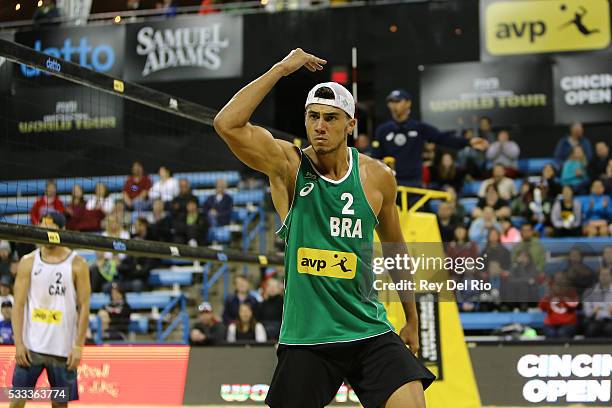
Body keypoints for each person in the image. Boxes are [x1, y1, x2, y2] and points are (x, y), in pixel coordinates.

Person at [214, 48, 435, 408]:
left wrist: (411, 319)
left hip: (368, 329)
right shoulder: (288, 166)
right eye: (313, 116)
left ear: (350, 124)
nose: (319, 126)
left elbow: (396, 250)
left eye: (331, 118)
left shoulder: (378, 177)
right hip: (308, 337)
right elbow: (227, 124)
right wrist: (281, 69)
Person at [10, 212, 90, 406]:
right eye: (42, 228)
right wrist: (18, 342)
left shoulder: (78, 264)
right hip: (31, 348)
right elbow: (18, 305)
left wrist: (78, 346)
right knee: (16, 400)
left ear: (62, 231)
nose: (45, 233)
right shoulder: (28, 262)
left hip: (62, 350)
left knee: (60, 403)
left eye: (51, 229)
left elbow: (84, 307)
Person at [372, 89, 487, 188]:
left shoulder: (418, 128)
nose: (394, 105)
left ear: (408, 103)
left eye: (397, 101)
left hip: (414, 182)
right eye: (391, 102)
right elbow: (375, 157)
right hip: (390, 182)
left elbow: (442, 138)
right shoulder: (383, 130)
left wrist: (468, 142)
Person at [539, 273, 579, 339]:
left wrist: (562, 295)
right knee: (550, 333)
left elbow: (573, 306)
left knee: (562, 332)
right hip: (551, 323)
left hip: (568, 323)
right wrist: (548, 296)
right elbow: (542, 307)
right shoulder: (550, 294)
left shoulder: (571, 292)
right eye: (557, 283)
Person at [582, 268, 612, 338]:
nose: (604, 277)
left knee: (609, 329)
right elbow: (587, 312)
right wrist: (593, 311)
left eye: (606, 275)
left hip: (611, 320)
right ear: (598, 277)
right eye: (602, 275)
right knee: (591, 329)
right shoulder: (590, 292)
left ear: (611, 277)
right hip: (595, 320)